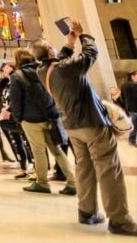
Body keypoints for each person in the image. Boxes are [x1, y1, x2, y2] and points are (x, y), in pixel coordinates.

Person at [31, 19, 137, 236]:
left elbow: (59, 61)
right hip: (91, 123)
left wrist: (69, 43)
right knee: (109, 169)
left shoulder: (43, 71)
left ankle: (87, 211)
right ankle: (120, 220)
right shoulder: (65, 69)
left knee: (84, 167)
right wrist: (82, 35)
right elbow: (90, 55)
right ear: (49, 51)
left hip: (72, 126)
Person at [8, 49, 76, 195]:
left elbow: (15, 101)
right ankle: (72, 181)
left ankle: (42, 183)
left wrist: (18, 118)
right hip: (50, 116)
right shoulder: (44, 71)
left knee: (38, 151)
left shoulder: (17, 76)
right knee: (57, 150)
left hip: (30, 119)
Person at [0, 63, 32, 180]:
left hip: (20, 117)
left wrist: (10, 110)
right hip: (9, 119)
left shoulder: (19, 82)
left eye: (7, 67)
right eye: (4, 68)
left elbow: (20, 100)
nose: (4, 69)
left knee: (27, 143)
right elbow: (3, 100)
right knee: (16, 142)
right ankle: (23, 168)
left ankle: (35, 167)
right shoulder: (5, 84)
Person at [119, 71, 137, 147]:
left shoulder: (123, 85)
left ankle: (132, 140)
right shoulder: (134, 85)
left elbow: (122, 97)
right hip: (135, 108)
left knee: (133, 124)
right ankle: (132, 140)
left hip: (129, 108)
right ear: (132, 76)